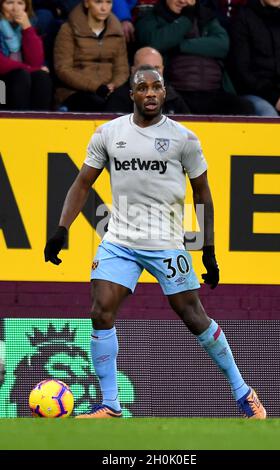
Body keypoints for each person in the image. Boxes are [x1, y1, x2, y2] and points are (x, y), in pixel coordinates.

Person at [44, 65, 266, 419]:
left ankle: (244, 392)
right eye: (142, 87)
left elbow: (203, 194)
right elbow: (83, 183)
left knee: (194, 316)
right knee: (100, 311)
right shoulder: (108, 133)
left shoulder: (184, 139)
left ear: (165, 92)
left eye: (156, 87)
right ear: (131, 94)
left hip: (165, 243)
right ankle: (111, 405)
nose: (150, 93)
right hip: (119, 240)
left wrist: (208, 250)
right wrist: (61, 229)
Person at [135, 0, 254, 115]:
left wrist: (179, 46)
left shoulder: (206, 17)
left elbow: (222, 45)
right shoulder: (151, 17)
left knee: (245, 108)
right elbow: (156, 41)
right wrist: (186, 19)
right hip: (175, 93)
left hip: (213, 91)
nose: (182, 1)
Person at [53, 0, 129, 112]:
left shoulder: (117, 31)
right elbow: (63, 69)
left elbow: (122, 68)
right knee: (93, 103)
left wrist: (113, 85)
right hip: (76, 91)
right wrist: (95, 87)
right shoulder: (68, 30)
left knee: (124, 98)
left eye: (108, 2)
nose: (104, 8)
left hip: (109, 90)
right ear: (87, 3)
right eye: (98, 2)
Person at [229, 0, 280, 116]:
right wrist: (275, 98)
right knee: (268, 116)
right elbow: (241, 71)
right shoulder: (242, 19)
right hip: (255, 94)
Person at [104, 46, 191, 114]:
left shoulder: (173, 98)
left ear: (163, 69)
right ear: (133, 70)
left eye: (157, 68)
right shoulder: (119, 99)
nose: (153, 73)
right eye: (146, 68)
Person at [0, 0, 52, 110]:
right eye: (9, 3)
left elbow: (36, 62)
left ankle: (40, 122)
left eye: (20, 3)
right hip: (2, 86)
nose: (15, 8)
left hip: (21, 79)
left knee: (42, 77)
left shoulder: (29, 25)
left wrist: (27, 29)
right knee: (20, 75)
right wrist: (30, 68)